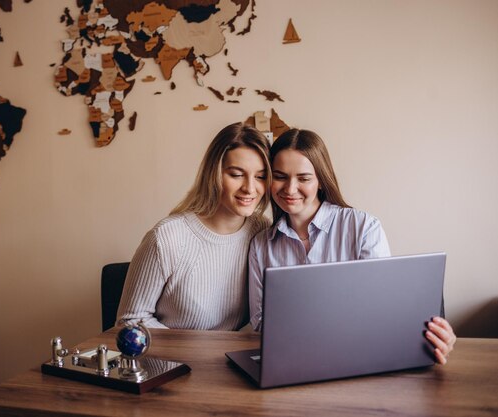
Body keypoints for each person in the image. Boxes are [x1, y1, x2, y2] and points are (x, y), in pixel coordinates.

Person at [248, 128, 456, 364]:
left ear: (320, 181)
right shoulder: (261, 244)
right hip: (291, 358)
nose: (290, 188)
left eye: (304, 178)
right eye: (281, 176)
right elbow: (261, 322)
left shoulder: (363, 226)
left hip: (357, 356)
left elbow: (382, 310)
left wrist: (436, 337)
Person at [116, 122, 271, 330]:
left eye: (260, 177)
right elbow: (130, 321)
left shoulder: (262, 230)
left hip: (233, 360)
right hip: (176, 362)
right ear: (213, 174)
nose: (250, 188)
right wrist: (189, 358)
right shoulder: (166, 237)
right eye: (236, 174)